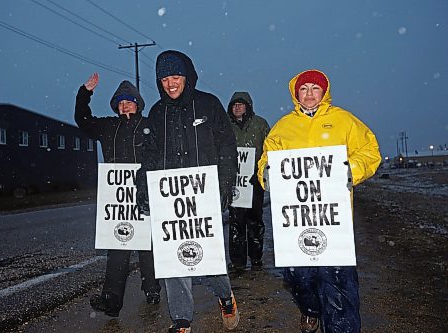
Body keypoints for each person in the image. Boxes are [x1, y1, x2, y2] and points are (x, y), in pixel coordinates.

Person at [257, 69, 381, 333]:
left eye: (315, 88)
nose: (309, 94)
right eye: (304, 89)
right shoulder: (284, 127)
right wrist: (267, 173)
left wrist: (352, 169)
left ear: (324, 92)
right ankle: (311, 309)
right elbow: (266, 158)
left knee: (337, 282)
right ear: (295, 93)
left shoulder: (343, 120)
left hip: (334, 219)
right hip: (295, 220)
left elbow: (370, 150)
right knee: (299, 278)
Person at [136, 50, 240, 333]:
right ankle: (181, 320)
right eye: (165, 78)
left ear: (187, 77)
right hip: (170, 198)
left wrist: (225, 182)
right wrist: (143, 187)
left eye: (176, 76)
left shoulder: (208, 105)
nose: (171, 83)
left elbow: (227, 146)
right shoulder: (157, 113)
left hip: (204, 195)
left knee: (209, 255)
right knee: (174, 257)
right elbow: (150, 155)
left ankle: (224, 296)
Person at [75, 73, 161, 317]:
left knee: (148, 247)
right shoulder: (107, 126)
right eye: (121, 102)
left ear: (138, 104)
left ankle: (152, 288)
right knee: (118, 250)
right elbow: (82, 119)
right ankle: (111, 301)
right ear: (115, 106)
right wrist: (85, 93)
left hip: (145, 194)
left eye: (129, 101)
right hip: (117, 200)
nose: (125, 105)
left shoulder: (149, 127)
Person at [226, 92, 270, 273]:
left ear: (248, 106)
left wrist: (260, 172)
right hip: (235, 183)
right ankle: (237, 262)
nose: (238, 107)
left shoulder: (260, 124)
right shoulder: (226, 125)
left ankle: (256, 258)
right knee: (236, 222)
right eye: (235, 104)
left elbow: (268, 148)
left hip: (255, 182)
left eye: (241, 104)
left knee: (255, 220)